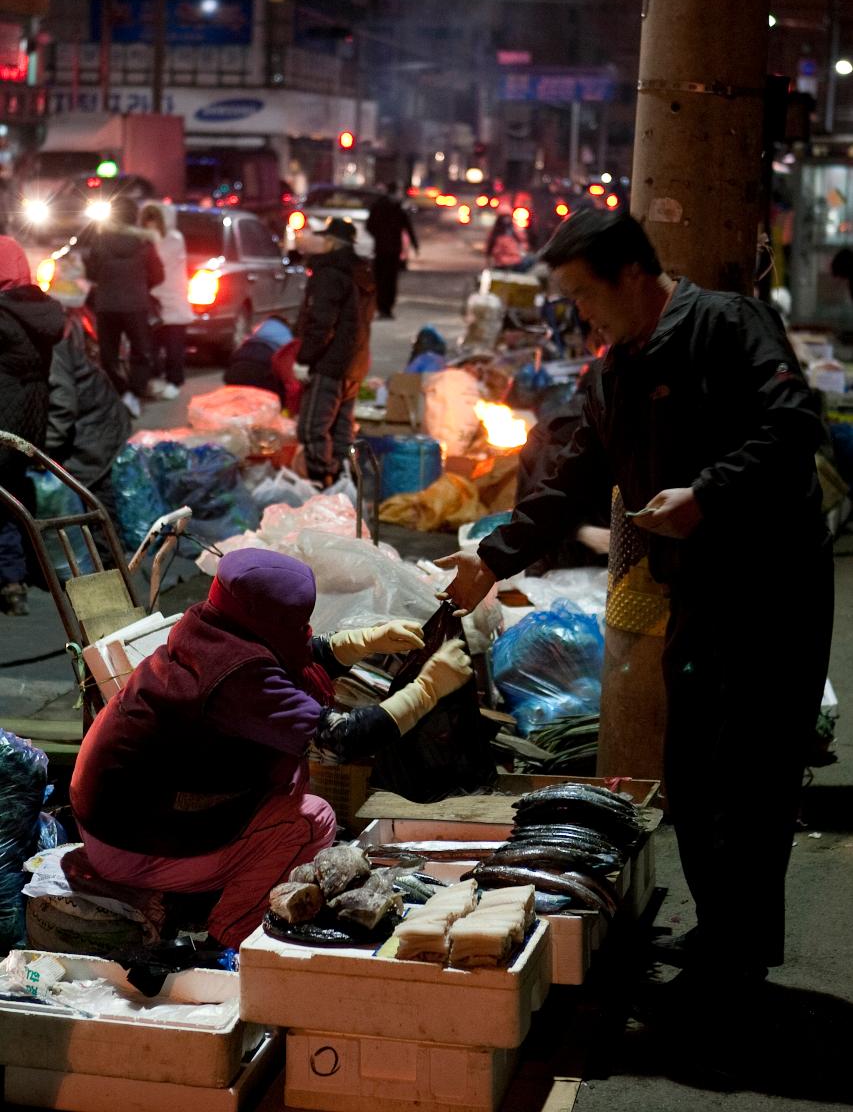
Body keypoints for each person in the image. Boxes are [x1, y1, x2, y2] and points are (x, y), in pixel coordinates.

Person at [436, 207, 833, 1001]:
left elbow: (795, 421)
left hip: (774, 584)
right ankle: (727, 935)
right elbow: (572, 481)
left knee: (750, 780)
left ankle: (738, 966)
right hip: (697, 590)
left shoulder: (725, 323)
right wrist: (490, 555)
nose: (581, 312)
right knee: (691, 776)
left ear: (631, 275)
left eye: (586, 293)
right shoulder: (613, 369)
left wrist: (708, 496)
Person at [70, 549, 472, 948]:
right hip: (129, 843)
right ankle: (235, 932)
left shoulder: (211, 626)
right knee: (312, 820)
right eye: (296, 621)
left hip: (115, 816)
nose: (305, 630)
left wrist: (361, 643)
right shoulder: (235, 679)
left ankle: (217, 886)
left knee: (293, 790)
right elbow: (342, 737)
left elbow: (286, 658)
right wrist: (427, 690)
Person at [0, 234, 64, 615]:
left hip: (3, 417)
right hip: (29, 423)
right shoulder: (43, 312)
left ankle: (11, 581)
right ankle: (16, 578)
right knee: (11, 496)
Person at [295, 217, 375, 486]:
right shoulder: (361, 273)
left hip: (330, 365)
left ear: (330, 242)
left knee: (311, 429)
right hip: (355, 363)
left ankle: (324, 481)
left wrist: (304, 359)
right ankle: (347, 483)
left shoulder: (330, 273)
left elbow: (322, 323)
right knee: (342, 431)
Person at [46, 312, 131, 527]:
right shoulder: (38, 337)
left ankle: (109, 559)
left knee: (97, 507)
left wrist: (39, 454)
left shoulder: (48, 348)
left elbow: (62, 406)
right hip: (91, 427)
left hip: (93, 431)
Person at [83, 196, 164, 418]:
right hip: (136, 304)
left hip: (106, 304)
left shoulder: (100, 241)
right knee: (141, 352)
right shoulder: (144, 243)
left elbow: (91, 273)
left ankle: (119, 392)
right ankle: (133, 394)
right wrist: (139, 283)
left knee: (108, 355)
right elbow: (159, 274)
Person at [140, 202, 191, 402]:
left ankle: (174, 381)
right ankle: (155, 378)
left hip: (173, 302)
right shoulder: (147, 242)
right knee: (151, 346)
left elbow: (158, 260)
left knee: (174, 348)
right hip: (154, 303)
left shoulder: (174, 239)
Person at [366, 181, 419, 319]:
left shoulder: (385, 206)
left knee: (383, 279)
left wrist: (379, 236)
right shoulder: (392, 208)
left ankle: (384, 308)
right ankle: (385, 308)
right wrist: (414, 244)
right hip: (389, 249)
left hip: (385, 249)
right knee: (387, 280)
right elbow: (407, 226)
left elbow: (370, 225)